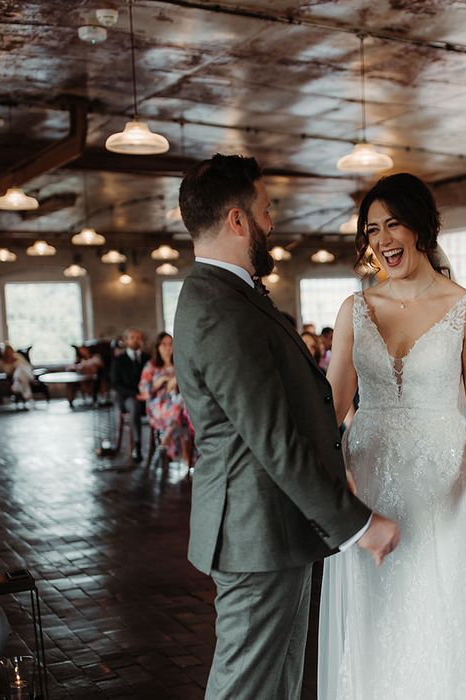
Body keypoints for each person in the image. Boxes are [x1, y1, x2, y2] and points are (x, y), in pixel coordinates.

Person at [173, 154, 399, 700]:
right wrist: (356, 524)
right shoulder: (217, 307)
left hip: (275, 529)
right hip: (255, 532)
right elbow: (271, 435)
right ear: (237, 221)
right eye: (265, 210)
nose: (271, 223)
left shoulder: (232, 295)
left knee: (277, 684)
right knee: (245, 687)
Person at [320, 173, 466, 699]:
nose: (383, 240)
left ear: (423, 228)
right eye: (372, 229)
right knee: (376, 607)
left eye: (394, 224)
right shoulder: (354, 309)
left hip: (445, 485)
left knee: (440, 608)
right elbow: (332, 404)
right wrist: (322, 471)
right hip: (370, 479)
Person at [138, 332, 191, 465]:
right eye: (164, 344)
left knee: (182, 408)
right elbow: (144, 389)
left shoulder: (179, 363)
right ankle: (186, 457)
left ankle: (167, 437)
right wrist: (160, 381)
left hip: (179, 401)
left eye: (171, 344)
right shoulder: (151, 366)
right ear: (158, 347)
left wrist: (176, 381)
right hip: (158, 403)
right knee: (180, 410)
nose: (168, 348)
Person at [110, 328, 150, 461]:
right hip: (127, 398)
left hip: (147, 396)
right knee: (134, 405)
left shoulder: (147, 358)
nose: (136, 340)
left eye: (138, 337)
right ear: (126, 341)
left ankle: (163, 443)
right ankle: (137, 446)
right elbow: (115, 383)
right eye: (132, 337)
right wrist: (135, 394)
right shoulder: (119, 360)